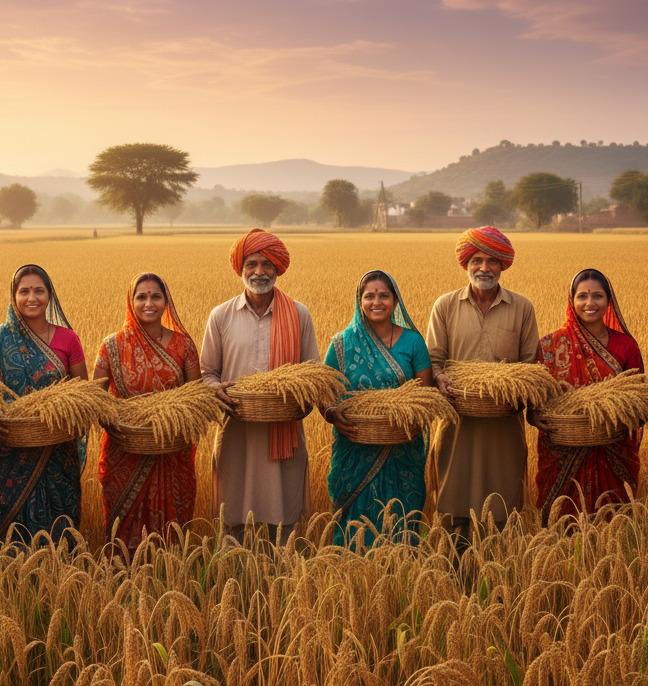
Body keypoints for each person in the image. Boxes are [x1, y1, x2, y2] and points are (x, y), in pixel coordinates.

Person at [202, 228, 320, 545]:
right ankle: (234, 580)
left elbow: (313, 373)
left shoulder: (299, 314)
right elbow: (207, 371)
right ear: (240, 268)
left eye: (268, 264)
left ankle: (281, 580)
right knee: (233, 516)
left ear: (278, 268)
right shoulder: (221, 316)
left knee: (283, 519)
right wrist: (215, 389)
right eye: (252, 263)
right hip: (236, 432)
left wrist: (303, 399)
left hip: (283, 434)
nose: (259, 272)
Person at [427, 226, 540, 538]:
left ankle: (502, 578)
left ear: (503, 264)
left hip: (503, 429)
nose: (484, 268)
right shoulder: (445, 306)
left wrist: (511, 387)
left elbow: (531, 365)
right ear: (466, 263)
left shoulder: (522, 307)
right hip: (457, 426)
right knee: (453, 509)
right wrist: (439, 377)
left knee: (503, 513)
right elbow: (433, 359)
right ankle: (455, 577)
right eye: (477, 260)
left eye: (492, 261)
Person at [0, 265, 88, 546]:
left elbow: (84, 393)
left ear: (49, 295)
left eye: (39, 291)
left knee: (60, 535)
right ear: (13, 297)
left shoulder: (68, 339)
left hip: (57, 452)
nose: (32, 298)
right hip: (9, 453)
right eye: (23, 291)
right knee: (12, 538)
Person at [93, 273, 202, 553]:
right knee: (122, 535)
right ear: (131, 302)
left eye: (156, 296)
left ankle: (170, 580)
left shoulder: (184, 345)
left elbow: (197, 396)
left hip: (171, 453)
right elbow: (95, 398)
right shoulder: (112, 346)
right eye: (141, 296)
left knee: (171, 535)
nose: (149, 303)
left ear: (166, 302)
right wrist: (119, 422)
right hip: (125, 453)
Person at [323, 271, 433, 546]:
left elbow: (425, 394)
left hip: (403, 450)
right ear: (359, 302)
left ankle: (401, 578)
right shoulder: (341, 344)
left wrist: (406, 416)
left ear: (395, 301)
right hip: (355, 448)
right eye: (369, 296)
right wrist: (331, 413)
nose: (377, 302)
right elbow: (323, 392)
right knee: (354, 529)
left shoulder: (413, 342)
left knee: (402, 524)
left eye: (384, 295)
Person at [534, 269, 643, 524]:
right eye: (582, 296)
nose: (590, 303)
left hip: (612, 448)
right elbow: (536, 397)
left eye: (598, 296)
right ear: (572, 301)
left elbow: (640, 399)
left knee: (614, 526)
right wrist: (533, 413)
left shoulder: (626, 346)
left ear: (609, 301)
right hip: (562, 450)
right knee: (561, 527)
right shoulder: (550, 345)